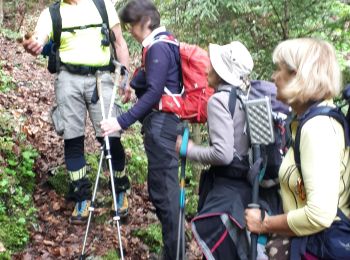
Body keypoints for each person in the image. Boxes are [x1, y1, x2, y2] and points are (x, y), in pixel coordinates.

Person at [22, 0, 131, 224]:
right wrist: (32, 45)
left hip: (102, 78)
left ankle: (119, 190)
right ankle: (81, 198)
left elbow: (119, 43)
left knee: (110, 137)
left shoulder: (103, 5)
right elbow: (39, 39)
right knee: (72, 139)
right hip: (67, 79)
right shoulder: (51, 13)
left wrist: (126, 77)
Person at [245, 38, 350, 259]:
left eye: (280, 69)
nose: (274, 77)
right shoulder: (307, 121)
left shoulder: (318, 128)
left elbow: (320, 214)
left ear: (299, 76)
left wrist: (264, 224)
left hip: (319, 247)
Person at [100, 0, 182, 258]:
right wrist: (134, 83)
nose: (131, 32)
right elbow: (153, 83)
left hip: (162, 128)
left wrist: (120, 121)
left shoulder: (158, 47)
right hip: (165, 126)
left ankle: (175, 255)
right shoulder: (165, 42)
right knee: (163, 193)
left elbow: (155, 93)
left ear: (146, 22)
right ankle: (172, 253)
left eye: (132, 26)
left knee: (165, 197)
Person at [175, 41, 254, 259]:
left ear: (220, 73)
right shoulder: (241, 97)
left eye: (212, 65)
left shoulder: (218, 101)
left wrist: (188, 150)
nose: (208, 68)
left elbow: (223, 154)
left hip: (226, 185)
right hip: (243, 188)